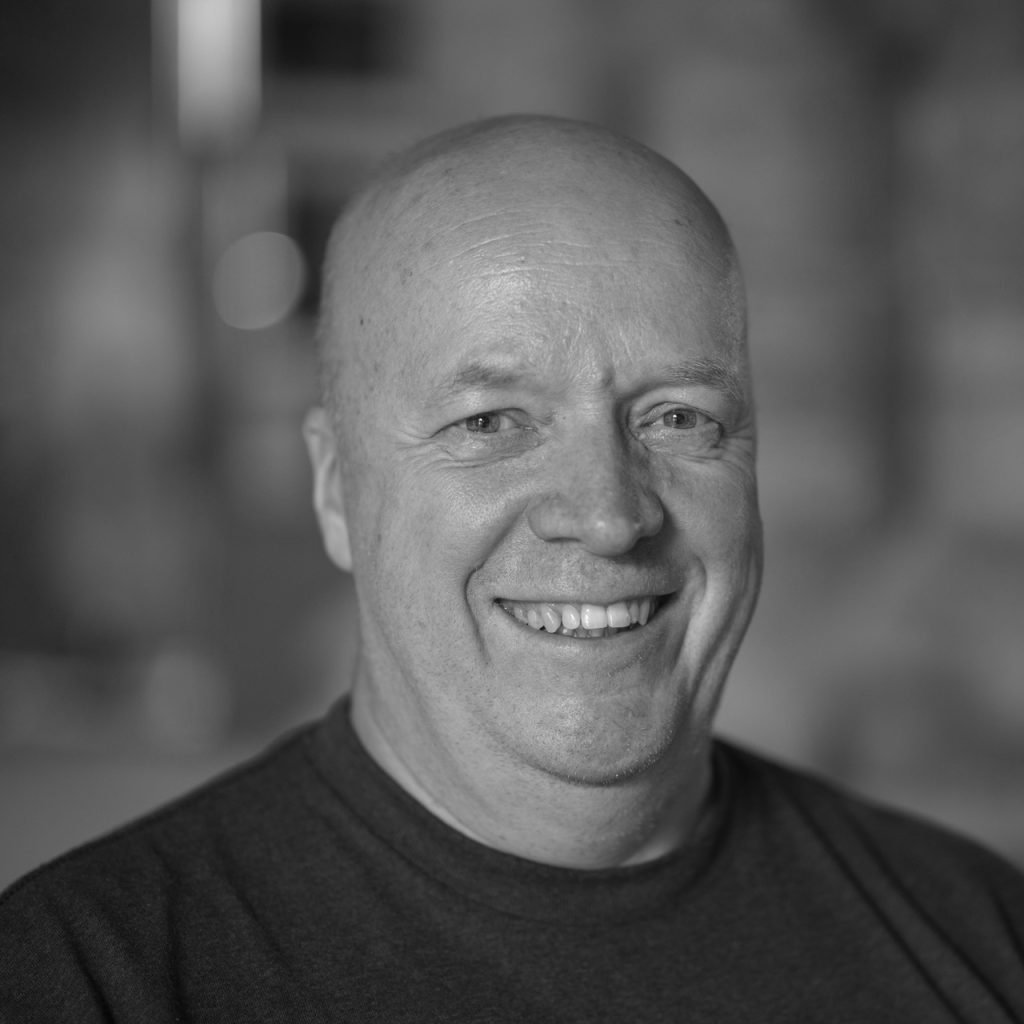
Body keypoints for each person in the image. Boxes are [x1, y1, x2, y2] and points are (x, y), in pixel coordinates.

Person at [1, 114, 1022, 1022]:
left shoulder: (982, 935)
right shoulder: (88, 981)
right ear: (335, 490)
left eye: (678, 417)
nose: (609, 516)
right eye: (491, 422)